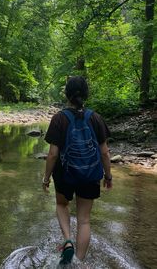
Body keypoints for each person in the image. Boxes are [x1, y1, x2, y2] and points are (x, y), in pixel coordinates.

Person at [42, 76, 112, 266]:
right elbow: (104, 153)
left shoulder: (59, 118)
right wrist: (108, 176)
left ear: (66, 94)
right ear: (86, 94)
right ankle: (78, 262)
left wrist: (46, 178)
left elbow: (53, 155)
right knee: (84, 220)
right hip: (90, 174)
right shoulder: (96, 118)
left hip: (65, 174)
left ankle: (67, 240)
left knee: (62, 205)